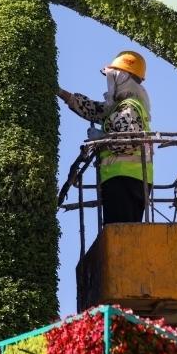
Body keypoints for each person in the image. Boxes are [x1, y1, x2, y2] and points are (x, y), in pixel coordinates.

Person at [58, 51, 153, 224]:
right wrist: (63, 94)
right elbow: (94, 110)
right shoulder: (120, 107)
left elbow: (129, 140)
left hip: (125, 181)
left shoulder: (128, 108)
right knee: (123, 232)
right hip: (128, 180)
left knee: (122, 233)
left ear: (121, 78)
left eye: (111, 78)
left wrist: (102, 139)